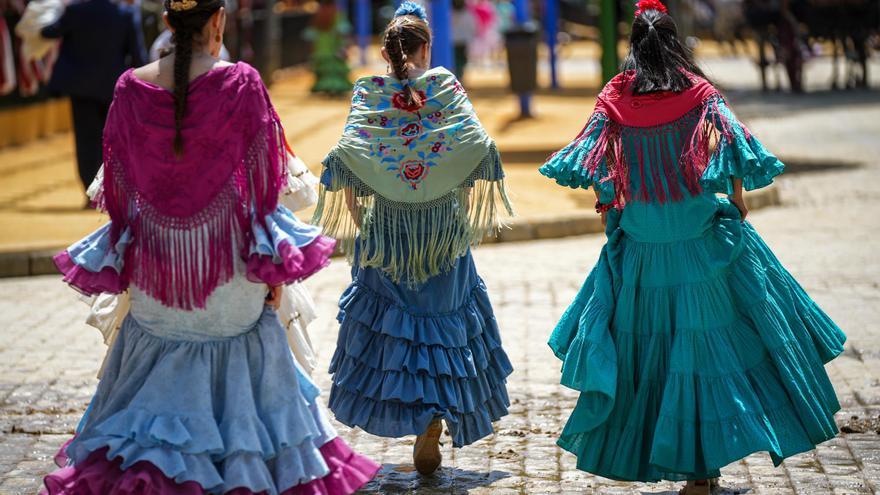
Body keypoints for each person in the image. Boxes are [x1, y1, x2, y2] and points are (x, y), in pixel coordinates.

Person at [40, 0, 380, 492]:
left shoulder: (130, 87)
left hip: (159, 280)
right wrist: (275, 276)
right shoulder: (242, 82)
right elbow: (264, 193)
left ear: (165, 23)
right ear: (218, 21)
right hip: (231, 279)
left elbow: (119, 194)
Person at [540, 1, 845, 493]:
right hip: (703, 243)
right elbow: (735, 147)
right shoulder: (699, 94)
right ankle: (702, 471)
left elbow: (595, 164)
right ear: (675, 41)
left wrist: (612, 213)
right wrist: (738, 201)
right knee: (711, 352)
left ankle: (686, 467)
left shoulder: (615, 99)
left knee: (651, 359)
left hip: (642, 246)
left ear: (633, 46)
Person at [312, 1, 514, 476]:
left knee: (399, 325)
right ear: (426, 46)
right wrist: (457, 197)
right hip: (442, 226)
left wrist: (362, 218)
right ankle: (433, 422)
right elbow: (478, 145)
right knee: (443, 322)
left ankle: (417, 415)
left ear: (387, 51)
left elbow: (347, 154)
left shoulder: (369, 90)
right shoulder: (444, 84)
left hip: (388, 231)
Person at [41, 0, 147, 198]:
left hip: (81, 88)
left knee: (86, 141)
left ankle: (92, 192)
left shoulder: (74, 10)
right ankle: (113, 191)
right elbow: (138, 56)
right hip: (114, 88)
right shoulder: (124, 14)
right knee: (113, 139)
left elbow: (48, 32)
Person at [451, 0, 475, 81]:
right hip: (462, 41)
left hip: (454, 42)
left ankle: (457, 77)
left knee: (458, 60)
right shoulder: (468, 14)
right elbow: (473, 28)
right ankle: (458, 77)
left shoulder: (448, 13)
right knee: (461, 61)